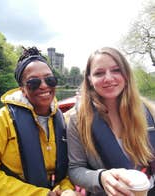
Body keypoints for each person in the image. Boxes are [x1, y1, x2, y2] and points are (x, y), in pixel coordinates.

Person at [0, 46, 75, 196]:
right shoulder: (1, 122)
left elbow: (64, 172)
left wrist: (67, 189)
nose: (44, 85)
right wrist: (40, 194)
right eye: (34, 82)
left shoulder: (61, 121)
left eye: (49, 79)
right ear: (22, 89)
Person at [66, 47, 155, 196]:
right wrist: (100, 178)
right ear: (89, 79)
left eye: (116, 70)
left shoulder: (150, 111)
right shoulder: (77, 120)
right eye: (99, 73)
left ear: (126, 74)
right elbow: (75, 168)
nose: (108, 78)